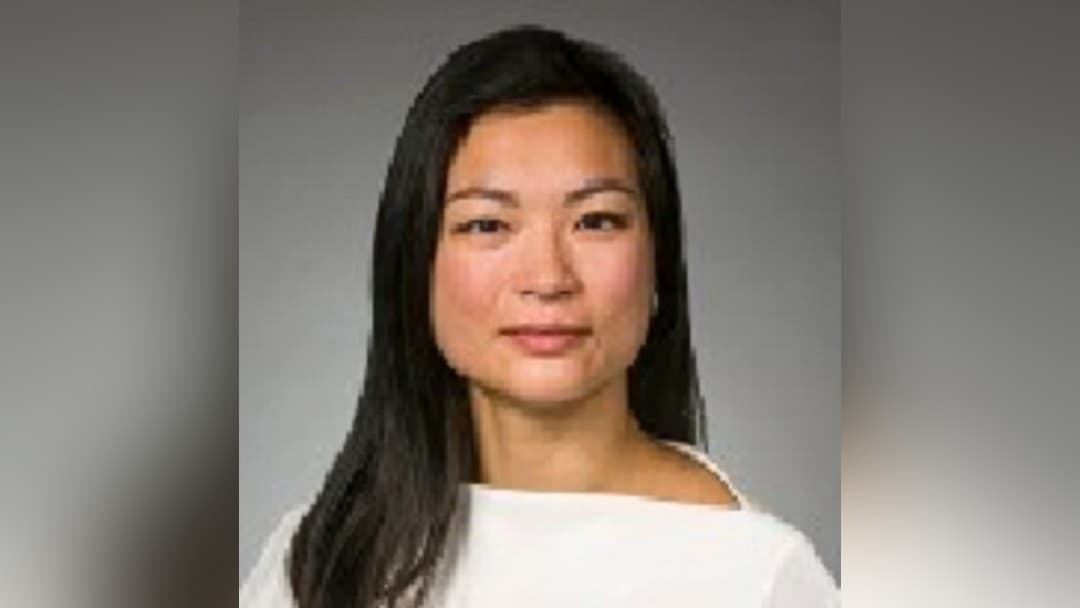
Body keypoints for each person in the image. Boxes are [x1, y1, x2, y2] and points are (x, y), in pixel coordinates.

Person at [241, 25, 838, 608]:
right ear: (415, 263)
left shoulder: (755, 573)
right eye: (487, 225)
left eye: (595, 221)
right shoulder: (320, 561)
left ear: (658, 259)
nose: (548, 278)